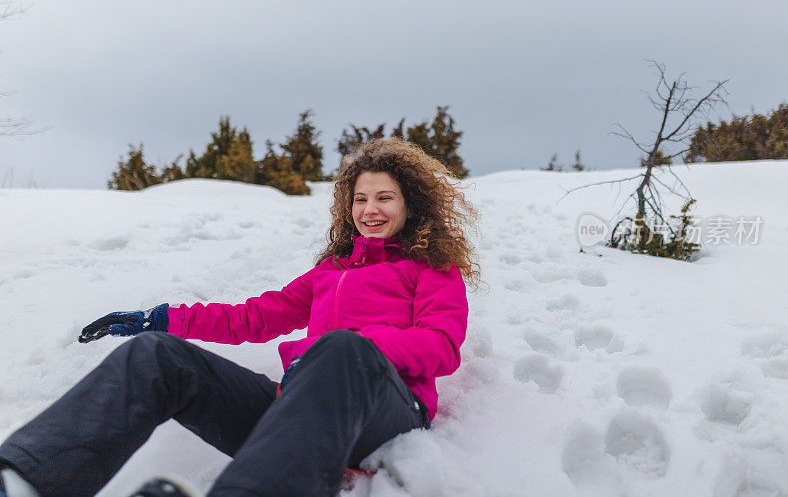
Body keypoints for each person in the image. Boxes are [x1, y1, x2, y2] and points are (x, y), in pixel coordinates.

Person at [0, 138, 480, 497]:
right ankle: (25, 479)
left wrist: (352, 348)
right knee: (155, 358)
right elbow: (252, 318)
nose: (369, 209)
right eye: (360, 198)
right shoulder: (328, 273)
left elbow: (440, 346)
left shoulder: (431, 268)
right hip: (297, 413)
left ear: (410, 204)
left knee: (341, 348)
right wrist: (160, 320)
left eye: (385, 197)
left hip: (385, 414)